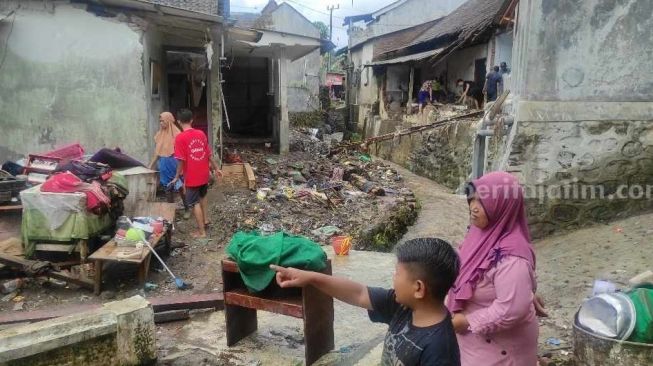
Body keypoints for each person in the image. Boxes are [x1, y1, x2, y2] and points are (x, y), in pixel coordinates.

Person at [271, 238, 461, 366]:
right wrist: (310, 277)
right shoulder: (403, 306)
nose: (393, 278)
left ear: (418, 288)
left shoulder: (440, 348)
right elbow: (358, 293)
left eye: (397, 273)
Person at [448, 172, 539, 366]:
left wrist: (467, 322)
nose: (473, 208)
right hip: (474, 343)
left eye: (482, 202)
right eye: (471, 200)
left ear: (503, 205)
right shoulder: (479, 234)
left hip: (500, 349)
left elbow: (511, 308)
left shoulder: (512, 256)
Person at [171, 109, 221, 238]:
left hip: (192, 177)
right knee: (202, 196)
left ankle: (201, 232)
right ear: (192, 120)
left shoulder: (180, 138)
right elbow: (208, 154)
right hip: (204, 174)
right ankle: (205, 220)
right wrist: (216, 168)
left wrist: (177, 176)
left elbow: (181, 161)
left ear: (178, 122)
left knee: (193, 203)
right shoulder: (201, 133)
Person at [149, 112, 189, 218]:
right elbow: (157, 153)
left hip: (175, 164)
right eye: (160, 121)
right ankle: (171, 211)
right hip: (163, 165)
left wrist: (183, 167)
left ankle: (187, 208)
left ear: (169, 121)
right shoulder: (160, 135)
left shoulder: (178, 135)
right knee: (167, 189)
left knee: (180, 187)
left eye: (163, 121)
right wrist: (150, 166)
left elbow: (183, 153)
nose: (161, 123)